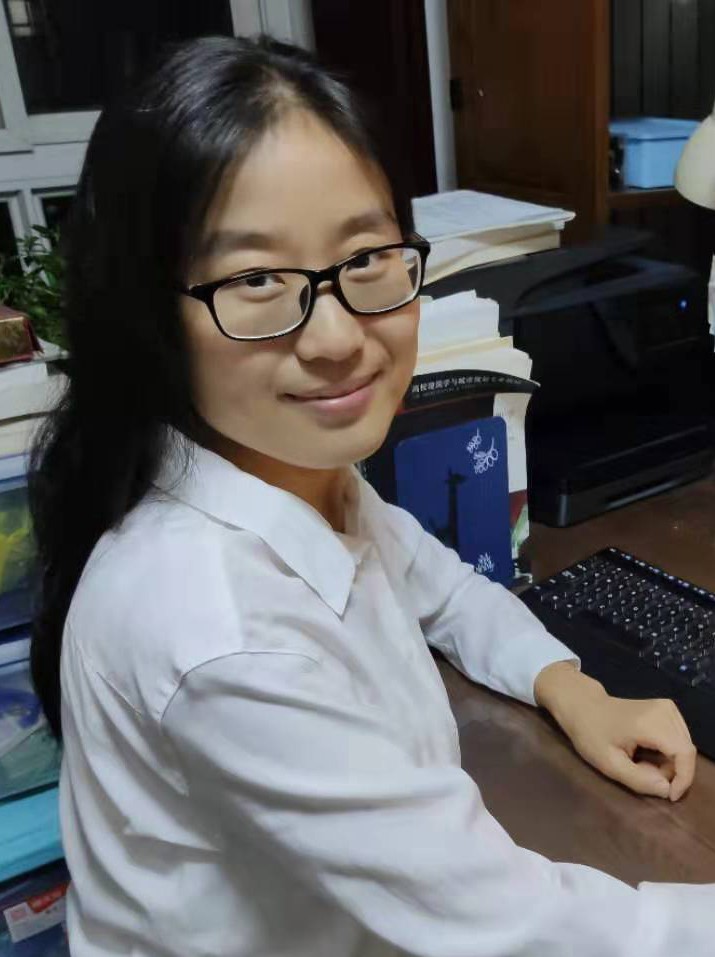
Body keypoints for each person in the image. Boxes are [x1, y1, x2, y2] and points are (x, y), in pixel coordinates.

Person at [29, 35, 712, 957]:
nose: (338, 337)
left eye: (365, 258)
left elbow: (444, 586)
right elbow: (513, 925)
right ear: (150, 315)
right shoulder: (214, 625)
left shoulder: (285, 473)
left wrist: (568, 684)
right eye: (257, 280)